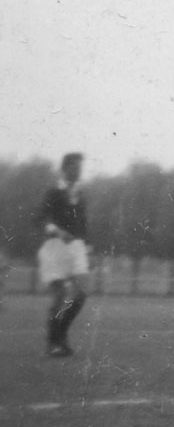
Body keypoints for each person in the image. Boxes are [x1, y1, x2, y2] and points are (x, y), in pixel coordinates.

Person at [37, 152, 90, 356]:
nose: (79, 171)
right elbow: (39, 219)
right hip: (55, 248)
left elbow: (84, 225)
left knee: (82, 293)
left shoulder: (80, 194)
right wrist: (57, 231)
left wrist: (88, 247)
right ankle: (54, 343)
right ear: (65, 168)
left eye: (81, 168)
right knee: (59, 296)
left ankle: (61, 336)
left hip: (76, 248)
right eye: (75, 167)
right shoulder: (54, 192)